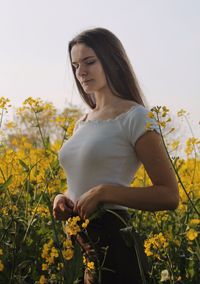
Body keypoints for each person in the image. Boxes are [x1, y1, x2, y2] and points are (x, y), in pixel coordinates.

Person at [53, 27, 179, 284]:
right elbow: (81, 182)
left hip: (116, 242)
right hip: (82, 246)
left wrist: (104, 192)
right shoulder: (81, 123)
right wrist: (63, 197)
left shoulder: (137, 117)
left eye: (89, 62)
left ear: (111, 60)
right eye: (76, 65)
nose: (81, 72)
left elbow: (169, 195)